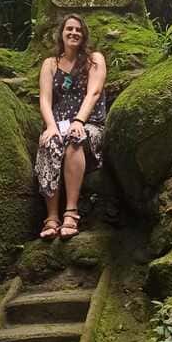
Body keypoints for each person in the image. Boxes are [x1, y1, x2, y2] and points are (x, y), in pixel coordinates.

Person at [35, 14, 107, 239]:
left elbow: (94, 92)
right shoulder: (50, 64)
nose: (74, 33)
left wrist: (79, 122)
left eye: (78, 30)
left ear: (84, 35)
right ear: (62, 33)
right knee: (49, 143)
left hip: (89, 123)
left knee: (75, 139)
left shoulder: (94, 59)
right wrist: (50, 126)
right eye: (69, 29)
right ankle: (52, 217)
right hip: (58, 124)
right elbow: (45, 99)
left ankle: (71, 213)